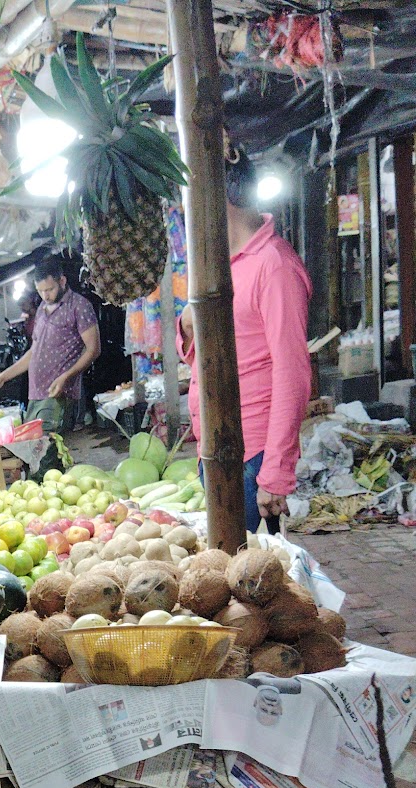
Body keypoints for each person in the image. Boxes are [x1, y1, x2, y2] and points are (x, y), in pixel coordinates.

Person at [179, 146, 312, 533]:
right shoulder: (217, 265)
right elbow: (204, 352)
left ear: (215, 200)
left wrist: (276, 472)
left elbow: (292, 372)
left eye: (189, 200)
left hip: (251, 454)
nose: (185, 213)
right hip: (215, 447)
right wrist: (187, 327)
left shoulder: (275, 265)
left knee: (243, 565)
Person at [0, 255, 100, 431]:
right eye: (40, 291)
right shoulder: (42, 308)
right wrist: (3, 377)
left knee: (49, 445)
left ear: (62, 281)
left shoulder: (79, 306)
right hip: (35, 394)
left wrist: (66, 376)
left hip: (58, 395)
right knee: (34, 443)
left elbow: (93, 349)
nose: (45, 295)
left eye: (49, 289)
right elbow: (33, 352)